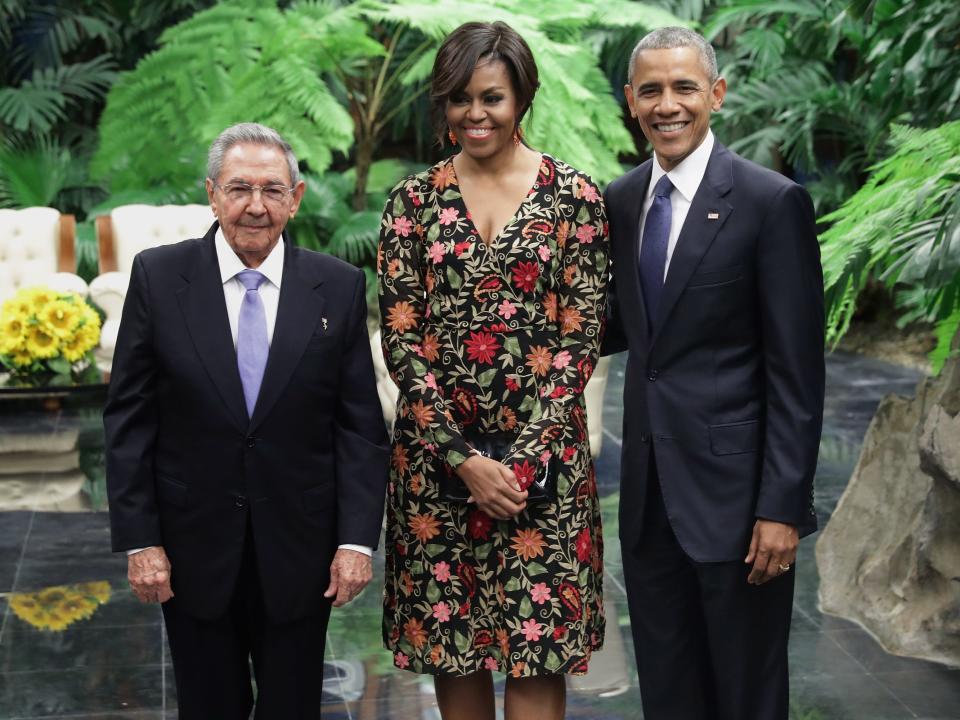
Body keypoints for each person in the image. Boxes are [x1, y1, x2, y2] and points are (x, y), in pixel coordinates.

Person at [104, 122, 389, 719]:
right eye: (239, 189)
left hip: (301, 551)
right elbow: (129, 419)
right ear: (211, 194)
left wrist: (356, 541)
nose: (255, 206)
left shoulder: (335, 287)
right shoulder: (159, 278)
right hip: (191, 549)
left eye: (272, 190)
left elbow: (359, 427)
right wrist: (141, 540)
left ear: (297, 197)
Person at [378, 21, 608, 720]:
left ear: (522, 99)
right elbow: (402, 342)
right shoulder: (412, 205)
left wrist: (520, 463)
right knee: (454, 652)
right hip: (437, 474)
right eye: (458, 99)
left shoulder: (575, 199)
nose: (474, 114)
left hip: (542, 476)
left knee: (536, 654)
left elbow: (579, 341)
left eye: (491, 98)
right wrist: (463, 461)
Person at [602, 27, 825, 720]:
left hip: (738, 505)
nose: (668, 105)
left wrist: (781, 508)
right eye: (652, 90)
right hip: (648, 501)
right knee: (670, 694)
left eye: (684, 87)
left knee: (747, 694)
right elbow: (620, 326)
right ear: (631, 103)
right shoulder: (619, 200)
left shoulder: (769, 202)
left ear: (716, 95)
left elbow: (796, 372)